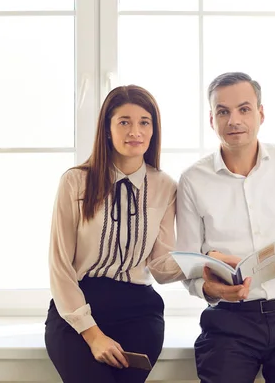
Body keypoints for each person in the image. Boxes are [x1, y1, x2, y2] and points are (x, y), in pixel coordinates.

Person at [176, 72, 275, 383]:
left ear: (261, 113)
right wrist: (207, 289)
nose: (234, 120)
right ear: (211, 119)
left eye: (244, 109)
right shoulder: (193, 179)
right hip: (230, 321)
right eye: (223, 111)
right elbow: (189, 262)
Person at [44, 85, 185, 383]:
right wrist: (93, 335)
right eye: (124, 122)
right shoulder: (75, 182)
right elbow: (60, 267)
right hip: (78, 307)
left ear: (153, 129)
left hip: (139, 311)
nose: (135, 131)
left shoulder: (165, 187)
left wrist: (203, 263)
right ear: (107, 129)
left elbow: (160, 266)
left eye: (144, 122)